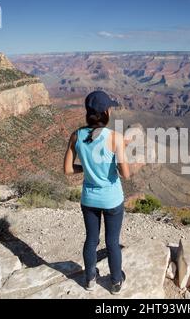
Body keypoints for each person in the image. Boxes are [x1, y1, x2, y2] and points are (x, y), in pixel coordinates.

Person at [64, 91, 130, 295]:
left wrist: (87, 168)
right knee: (112, 241)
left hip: (89, 199)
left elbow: (67, 170)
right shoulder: (115, 138)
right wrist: (122, 151)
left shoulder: (76, 135)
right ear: (105, 112)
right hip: (112, 200)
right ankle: (116, 281)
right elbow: (125, 174)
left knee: (91, 239)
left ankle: (90, 279)